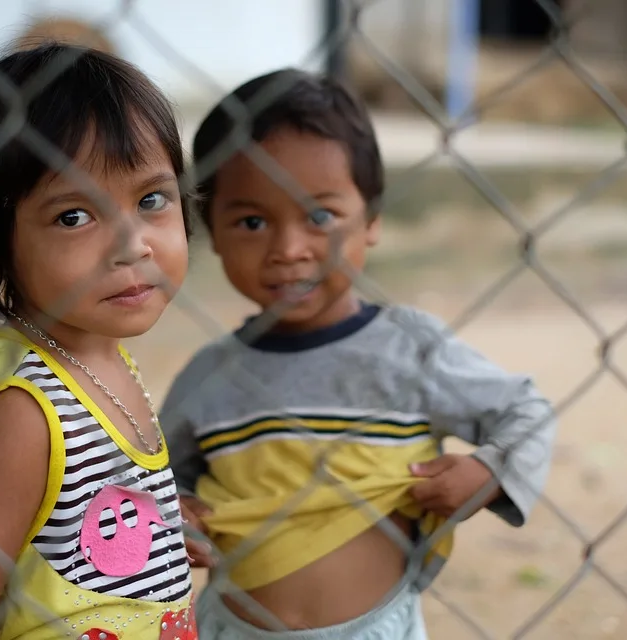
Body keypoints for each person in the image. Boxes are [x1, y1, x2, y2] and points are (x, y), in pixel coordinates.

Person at [159, 68, 557, 639]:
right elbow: (157, 477)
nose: (289, 250)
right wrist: (179, 510)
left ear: (371, 219)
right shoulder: (210, 376)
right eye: (252, 221)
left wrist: (489, 472)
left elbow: (527, 409)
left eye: (320, 216)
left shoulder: (410, 349)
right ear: (212, 231)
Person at [0, 44, 210, 640]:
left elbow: (66, 513)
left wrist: (157, 523)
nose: (132, 246)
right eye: (75, 216)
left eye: (151, 200)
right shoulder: (25, 414)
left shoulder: (97, 355)